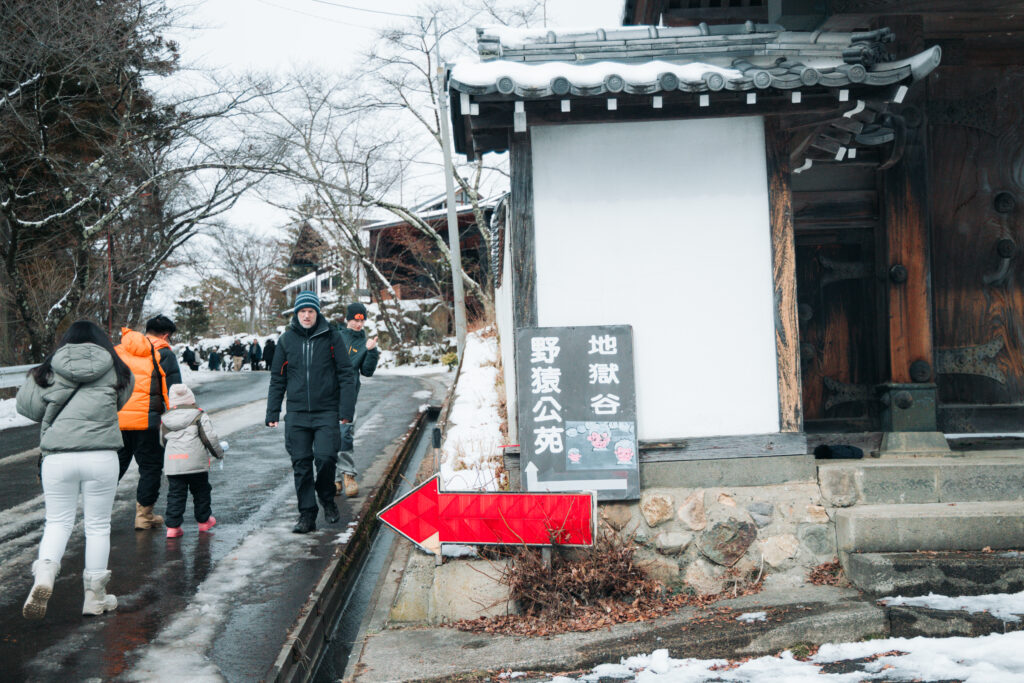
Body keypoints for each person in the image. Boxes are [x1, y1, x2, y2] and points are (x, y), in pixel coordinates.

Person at [16, 320, 134, 619]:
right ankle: (94, 598)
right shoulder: (118, 369)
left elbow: (27, 408)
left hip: (58, 457)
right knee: (97, 526)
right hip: (101, 455)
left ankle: (44, 574)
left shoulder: (46, 370)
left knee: (57, 522)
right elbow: (119, 403)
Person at [266, 291, 356, 534]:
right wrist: (273, 411)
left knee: (326, 457)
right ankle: (307, 514)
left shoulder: (332, 337)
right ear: (296, 314)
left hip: (326, 410)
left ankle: (326, 497)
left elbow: (346, 375)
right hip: (296, 413)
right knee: (301, 464)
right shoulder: (286, 340)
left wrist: (345, 410)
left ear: (317, 313)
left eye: (311, 311)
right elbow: (277, 378)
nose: (306, 315)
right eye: (302, 312)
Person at [115, 314, 181, 530]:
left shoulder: (119, 351)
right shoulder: (163, 353)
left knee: (114, 466)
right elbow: (174, 391)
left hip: (118, 419)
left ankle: (96, 510)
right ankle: (144, 516)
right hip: (147, 421)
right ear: (166, 335)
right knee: (150, 467)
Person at [161, 384, 225, 538]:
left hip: (174, 463)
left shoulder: (165, 419)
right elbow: (209, 438)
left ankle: (173, 527)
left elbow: (163, 441)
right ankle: (204, 521)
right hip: (196, 463)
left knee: (176, 494)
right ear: (191, 400)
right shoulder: (198, 416)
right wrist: (219, 454)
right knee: (201, 491)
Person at [334, 302, 380, 498]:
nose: (358, 325)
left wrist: (371, 351)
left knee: (345, 434)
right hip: (327, 395)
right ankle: (333, 478)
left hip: (348, 395)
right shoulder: (335, 337)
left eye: (362, 321)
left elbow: (367, 372)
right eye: (355, 320)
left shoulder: (365, 342)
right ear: (348, 319)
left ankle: (348, 475)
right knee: (327, 437)